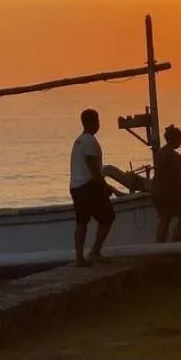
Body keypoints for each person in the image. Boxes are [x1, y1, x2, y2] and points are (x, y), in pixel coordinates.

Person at [70, 108, 115, 265]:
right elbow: (91, 164)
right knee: (108, 216)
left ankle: (79, 258)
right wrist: (104, 185)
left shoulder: (78, 141)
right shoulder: (90, 141)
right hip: (89, 186)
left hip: (76, 186)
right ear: (94, 122)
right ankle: (95, 251)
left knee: (82, 221)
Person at [152, 125, 181, 243]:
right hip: (167, 193)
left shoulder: (162, 152)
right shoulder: (172, 155)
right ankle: (176, 241)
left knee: (165, 219)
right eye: (180, 139)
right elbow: (180, 175)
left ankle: (160, 246)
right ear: (175, 139)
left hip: (157, 192)